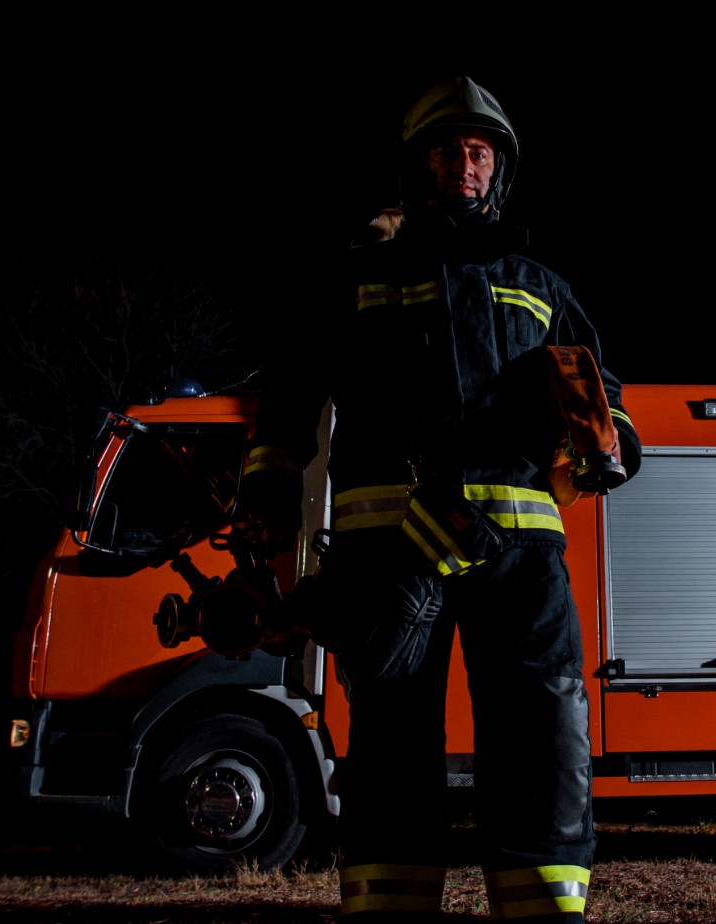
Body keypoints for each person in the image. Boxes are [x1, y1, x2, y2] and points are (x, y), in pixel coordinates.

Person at [244, 76, 639, 923]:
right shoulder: (357, 276)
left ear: (497, 170)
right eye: (447, 151)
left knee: (543, 730)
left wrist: (614, 445)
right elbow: (289, 393)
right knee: (388, 740)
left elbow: (602, 392)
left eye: (478, 152)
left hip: (520, 548)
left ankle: (543, 908)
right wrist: (268, 484)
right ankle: (391, 904)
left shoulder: (538, 278)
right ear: (419, 166)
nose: (464, 165)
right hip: (390, 547)